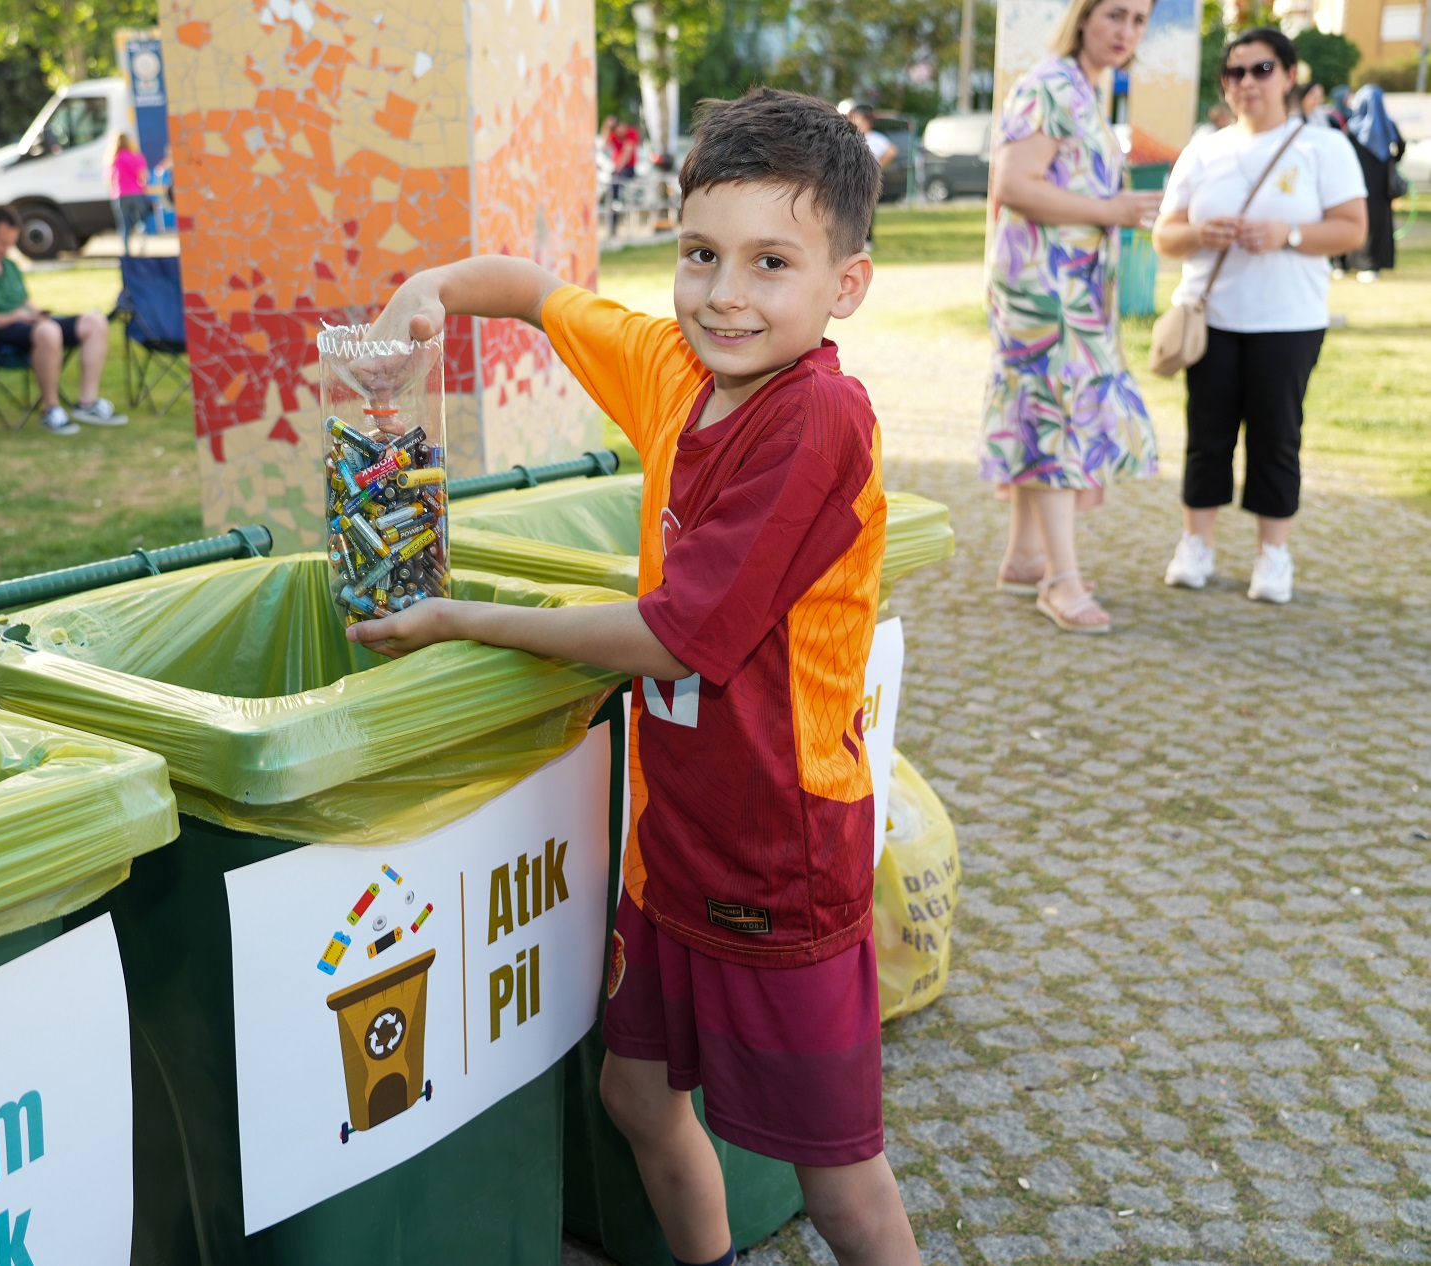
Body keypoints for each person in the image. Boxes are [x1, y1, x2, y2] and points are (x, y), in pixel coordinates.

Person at [345, 88, 920, 1266]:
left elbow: (674, 637)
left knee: (837, 1178)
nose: (723, 293)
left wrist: (460, 618)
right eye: (700, 253)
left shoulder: (818, 421)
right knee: (635, 1095)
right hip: (673, 846)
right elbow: (533, 292)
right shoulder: (674, 367)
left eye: (770, 263)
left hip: (779, 854)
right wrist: (429, 290)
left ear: (844, 286)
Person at [1152, 27, 1366, 604]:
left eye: (1262, 69)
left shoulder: (1323, 147)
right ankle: (1196, 544)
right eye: (1235, 72)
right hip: (1212, 318)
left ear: (1289, 75)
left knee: (1276, 437)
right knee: (1207, 434)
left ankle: (1274, 555)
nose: (1248, 82)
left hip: (1288, 320)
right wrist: (1200, 232)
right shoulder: (1204, 150)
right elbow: (1164, 236)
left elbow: (1353, 229)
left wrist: (1287, 233)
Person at [981, 0, 1161, 634]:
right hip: (1044, 290)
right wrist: (1113, 210)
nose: (1126, 31)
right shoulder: (1053, 84)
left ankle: (1027, 558)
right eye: (1115, 15)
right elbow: (1015, 182)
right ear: (1084, 16)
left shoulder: (1082, 87)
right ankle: (1060, 579)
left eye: (1139, 20)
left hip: (1067, 288)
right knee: (1057, 417)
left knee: (1041, 409)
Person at [0, 207, 125, 436]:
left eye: (10, 243)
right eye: (2, 243)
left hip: (28, 325)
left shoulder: (9, 266)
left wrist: (37, 313)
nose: (6, 249)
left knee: (94, 321)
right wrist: (11, 317)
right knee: (48, 331)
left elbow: (25, 302)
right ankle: (51, 409)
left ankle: (87, 403)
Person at [1338, 85, 1405, 281]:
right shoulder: (1387, 124)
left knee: (1355, 219)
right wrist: (1391, 161)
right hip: (1381, 185)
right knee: (1377, 224)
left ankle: (1347, 264)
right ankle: (1372, 265)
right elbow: (1401, 147)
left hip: (1357, 184)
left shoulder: (1352, 127)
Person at [846, 105, 896, 250]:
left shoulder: (874, 138)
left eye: (857, 118)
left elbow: (891, 151)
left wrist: (877, 166)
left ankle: (866, 240)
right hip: (850, 179)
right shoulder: (850, 137)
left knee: (865, 210)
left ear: (867, 121)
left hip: (865, 180)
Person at [110, 134, 152, 256]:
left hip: (121, 195)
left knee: (124, 224)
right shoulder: (136, 157)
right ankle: (141, 235)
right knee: (140, 220)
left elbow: (111, 179)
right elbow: (144, 176)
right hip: (137, 193)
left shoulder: (114, 159)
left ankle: (126, 251)